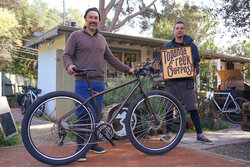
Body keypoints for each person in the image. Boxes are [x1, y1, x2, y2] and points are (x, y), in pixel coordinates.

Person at [62, 7, 134, 162]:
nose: (93, 20)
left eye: (96, 18)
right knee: (82, 115)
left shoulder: (102, 39)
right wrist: (69, 65)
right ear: (85, 19)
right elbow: (66, 55)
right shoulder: (76, 36)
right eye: (91, 17)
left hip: (99, 82)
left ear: (99, 21)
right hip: (82, 80)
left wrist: (128, 69)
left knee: (95, 115)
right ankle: (81, 149)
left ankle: (93, 144)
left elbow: (111, 58)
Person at [160, 21, 212, 144]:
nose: (179, 30)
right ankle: (168, 134)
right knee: (169, 108)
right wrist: (163, 73)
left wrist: (196, 71)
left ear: (184, 30)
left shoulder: (192, 46)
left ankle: (199, 134)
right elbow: (163, 63)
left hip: (186, 82)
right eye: (177, 28)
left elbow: (196, 63)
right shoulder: (167, 46)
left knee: (192, 108)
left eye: (181, 28)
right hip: (171, 82)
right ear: (174, 30)